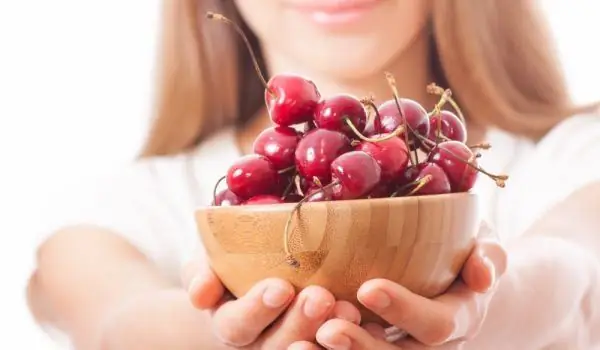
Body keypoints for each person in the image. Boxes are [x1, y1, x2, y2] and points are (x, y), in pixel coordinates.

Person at [26, 0, 600, 349]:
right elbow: (112, 328)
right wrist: (224, 333)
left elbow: (575, 274)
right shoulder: (126, 205)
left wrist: (482, 307)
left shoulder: (572, 155)